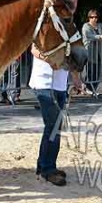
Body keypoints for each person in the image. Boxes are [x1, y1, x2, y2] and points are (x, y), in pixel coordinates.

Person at [28, 43, 69, 186]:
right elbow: (33, 49)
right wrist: (48, 59)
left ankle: (43, 165)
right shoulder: (44, 23)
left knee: (54, 126)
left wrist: (76, 78)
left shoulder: (70, 27)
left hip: (60, 84)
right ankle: (48, 169)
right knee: (53, 125)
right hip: (43, 82)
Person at [82, 9, 102, 93]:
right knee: (90, 71)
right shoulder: (86, 26)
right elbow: (89, 35)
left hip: (99, 52)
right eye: (92, 17)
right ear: (89, 18)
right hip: (90, 51)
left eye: (96, 17)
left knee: (97, 71)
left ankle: (93, 88)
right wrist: (100, 37)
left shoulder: (100, 25)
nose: (94, 19)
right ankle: (88, 88)